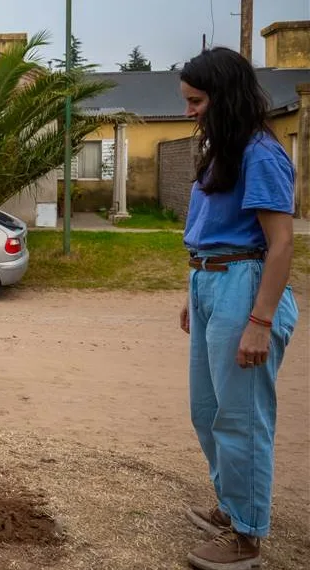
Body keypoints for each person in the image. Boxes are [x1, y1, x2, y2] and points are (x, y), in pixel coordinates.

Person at [178, 47, 300, 570]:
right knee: (207, 412)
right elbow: (209, 236)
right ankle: (233, 507)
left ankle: (248, 537)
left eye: (197, 101)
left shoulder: (261, 154)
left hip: (244, 288)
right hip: (211, 282)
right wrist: (192, 293)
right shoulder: (224, 151)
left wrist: (259, 321)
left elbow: (281, 245)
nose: (189, 111)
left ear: (223, 97)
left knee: (242, 418)